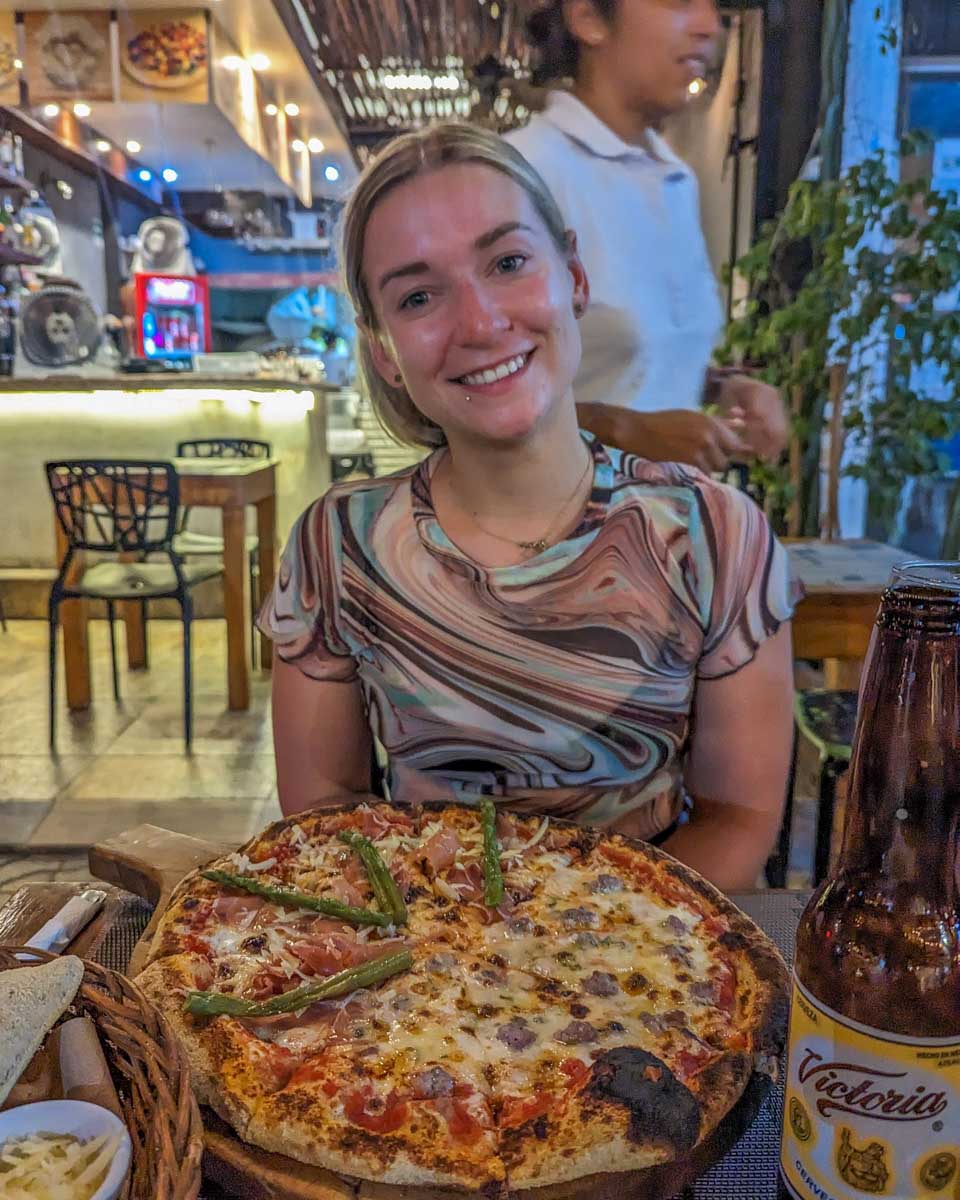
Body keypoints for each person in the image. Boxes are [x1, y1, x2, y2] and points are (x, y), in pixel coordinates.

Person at [259, 122, 795, 892]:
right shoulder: (335, 546)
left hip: (649, 968)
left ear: (572, 275)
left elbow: (738, 818)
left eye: (508, 262)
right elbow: (323, 816)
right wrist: (470, 955)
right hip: (421, 969)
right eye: (418, 296)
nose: (479, 325)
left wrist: (573, 953)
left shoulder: (717, 535)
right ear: (384, 352)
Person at [505, 0, 788, 474]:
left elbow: (626, 367)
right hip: (565, 537)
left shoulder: (674, 178)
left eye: (714, 7)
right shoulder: (524, 173)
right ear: (589, 18)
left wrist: (719, 388)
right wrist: (629, 432)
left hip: (668, 529)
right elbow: (469, 402)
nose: (708, 26)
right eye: (678, 2)